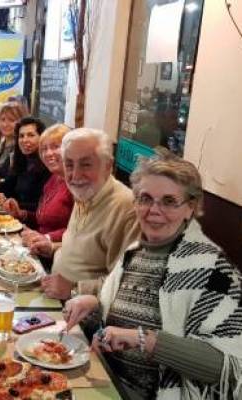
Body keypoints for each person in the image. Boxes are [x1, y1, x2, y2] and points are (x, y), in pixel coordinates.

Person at [63, 152, 242, 400]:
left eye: (169, 201)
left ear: (190, 208)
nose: (153, 210)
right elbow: (119, 317)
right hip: (107, 380)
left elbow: (230, 368)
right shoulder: (134, 252)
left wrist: (144, 340)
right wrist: (92, 304)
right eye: (145, 199)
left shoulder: (213, 271)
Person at [37, 128, 140, 299]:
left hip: (82, 315)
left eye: (86, 164)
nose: (75, 175)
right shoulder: (85, 193)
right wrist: (52, 248)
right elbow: (88, 253)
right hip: (53, 293)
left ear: (108, 166)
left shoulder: (126, 208)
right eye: (69, 165)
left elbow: (126, 287)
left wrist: (73, 289)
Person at [3, 123, 74, 246]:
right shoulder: (54, 178)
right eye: (44, 149)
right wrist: (21, 214)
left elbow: (76, 232)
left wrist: (45, 237)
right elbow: (41, 219)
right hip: (37, 246)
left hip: (54, 254)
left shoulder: (76, 185)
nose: (48, 153)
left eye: (55, 147)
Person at [0, 117, 50, 212]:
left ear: (42, 137)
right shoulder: (22, 160)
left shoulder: (48, 166)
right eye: (21, 136)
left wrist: (9, 202)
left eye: (31, 135)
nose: (25, 140)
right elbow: (8, 186)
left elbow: (39, 205)